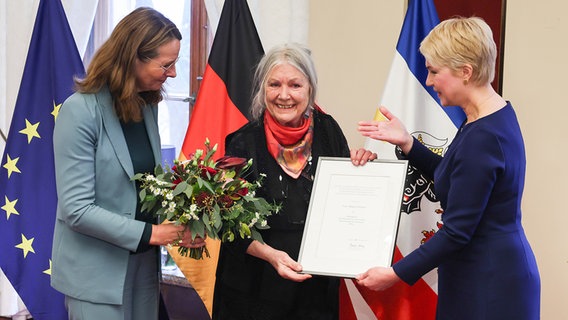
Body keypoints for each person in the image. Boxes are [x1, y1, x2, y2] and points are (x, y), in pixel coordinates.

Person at [356, 17, 540, 319]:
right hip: (484, 270)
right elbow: (458, 176)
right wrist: (408, 144)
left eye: (433, 71)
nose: (428, 81)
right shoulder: (490, 116)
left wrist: (395, 274)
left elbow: (457, 231)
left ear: (465, 72)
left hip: (488, 282)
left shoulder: (484, 136)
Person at [51, 7, 204, 320]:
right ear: (134, 58)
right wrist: (155, 234)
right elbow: (77, 210)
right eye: (166, 64)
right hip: (95, 275)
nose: (173, 73)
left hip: (143, 269)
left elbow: (144, 187)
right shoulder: (80, 112)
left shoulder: (146, 105)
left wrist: (185, 222)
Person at [212, 43, 376, 320]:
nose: (284, 95)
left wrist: (360, 167)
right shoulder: (242, 143)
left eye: (295, 85)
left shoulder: (328, 130)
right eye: (274, 84)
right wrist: (271, 255)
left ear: (310, 88)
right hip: (253, 290)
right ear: (263, 89)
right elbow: (226, 225)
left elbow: (342, 199)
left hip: (314, 290)